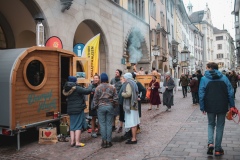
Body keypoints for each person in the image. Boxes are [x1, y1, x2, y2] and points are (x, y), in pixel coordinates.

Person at [199, 62, 235, 156]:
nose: (206, 69)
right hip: (222, 105)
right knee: (220, 126)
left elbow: (201, 93)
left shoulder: (204, 79)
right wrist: (232, 105)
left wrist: (202, 106)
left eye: (207, 67)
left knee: (211, 124)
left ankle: (210, 143)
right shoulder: (224, 78)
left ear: (210, 68)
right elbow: (230, 92)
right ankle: (218, 149)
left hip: (209, 105)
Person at [62, 76, 93, 148]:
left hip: (70, 109)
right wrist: (90, 85)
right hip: (78, 109)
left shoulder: (66, 88)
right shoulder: (76, 88)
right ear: (75, 81)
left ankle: (72, 141)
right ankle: (77, 142)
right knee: (78, 126)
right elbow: (87, 91)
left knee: (72, 126)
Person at [93, 73, 118, 148]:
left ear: (101, 79)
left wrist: (96, 106)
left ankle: (104, 141)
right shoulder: (112, 87)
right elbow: (116, 99)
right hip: (109, 106)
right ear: (107, 79)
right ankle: (109, 141)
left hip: (101, 107)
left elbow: (95, 99)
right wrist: (113, 105)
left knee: (102, 124)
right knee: (109, 124)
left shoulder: (98, 88)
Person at [121, 73, 140, 144]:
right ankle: (134, 138)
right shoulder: (134, 82)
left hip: (130, 105)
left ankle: (133, 138)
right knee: (134, 122)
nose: (124, 79)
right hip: (134, 104)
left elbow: (128, 94)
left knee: (132, 123)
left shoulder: (128, 83)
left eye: (124, 77)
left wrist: (123, 94)